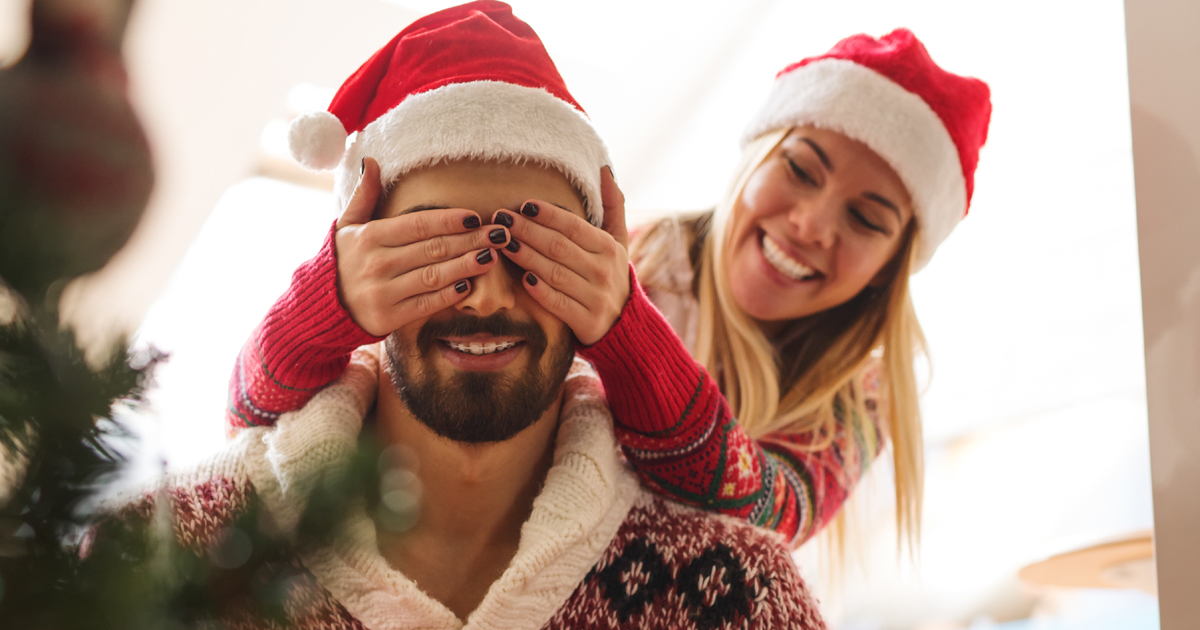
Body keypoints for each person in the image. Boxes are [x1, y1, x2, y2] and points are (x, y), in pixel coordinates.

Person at [113, 3, 825, 628]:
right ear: (356, 266)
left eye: (534, 251)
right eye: (436, 249)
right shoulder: (160, 554)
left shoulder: (743, 599)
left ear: (598, 275)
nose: (486, 298)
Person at [228, 22, 991, 551]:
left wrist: (626, 330)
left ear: (898, 262)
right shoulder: (617, 254)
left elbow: (759, 517)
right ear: (752, 156)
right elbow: (252, 416)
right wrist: (329, 303)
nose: (813, 224)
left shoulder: (859, 398)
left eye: (867, 218)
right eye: (799, 168)